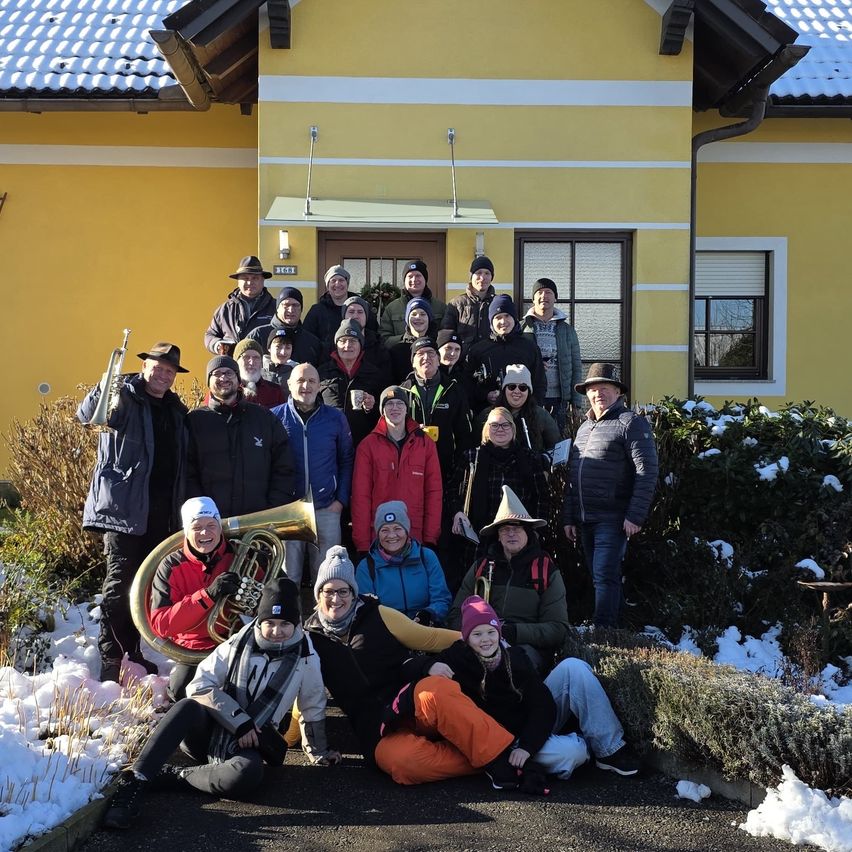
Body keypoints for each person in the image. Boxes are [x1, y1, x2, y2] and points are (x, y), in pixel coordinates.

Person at [103, 578, 340, 830]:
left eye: (285, 624)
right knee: (186, 706)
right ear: (260, 621)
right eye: (269, 622)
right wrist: (239, 721)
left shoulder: (307, 657)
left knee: (248, 775)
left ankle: (174, 776)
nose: (276, 631)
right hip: (210, 730)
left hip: (251, 743)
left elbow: (312, 705)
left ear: (297, 625)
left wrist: (320, 751)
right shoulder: (237, 643)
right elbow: (199, 686)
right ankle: (135, 782)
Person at [303, 547, 521, 787]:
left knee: (437, 688)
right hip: (375, 728)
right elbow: (305, 693)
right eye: (329, 591)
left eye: (343, 591)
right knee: (405, 764)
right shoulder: (310, 638)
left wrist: (480, 638)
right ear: (318, 593)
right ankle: (502, 759)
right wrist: (306, 742)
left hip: (409, 701)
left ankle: (497, 752)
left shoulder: (378, 614)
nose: (336, 599)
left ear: (353, 592)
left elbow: (430, 638)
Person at [403, 595, 638, 789]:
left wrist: (528, 746)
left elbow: (542, 704)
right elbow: (406, 669)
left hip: (523, 734)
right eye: (477, 634)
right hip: (494, 741)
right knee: (574, 753)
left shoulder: (515, 658)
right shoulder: (456, 658)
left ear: (499, 633)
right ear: (466, 638)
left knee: (573, 667)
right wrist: (427, 665)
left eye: (490, 632)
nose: (485, 640)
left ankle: (609, 749)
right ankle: (509, 762)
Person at [77, 341, 189, 683]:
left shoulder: (174, 408)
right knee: (119, 584)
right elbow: (88, 415)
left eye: (170, 370)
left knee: (143, 586)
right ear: (145, 366)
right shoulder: (124, 394)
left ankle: (133, 651)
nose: (163, 374)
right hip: (124, 508)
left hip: (161, 511)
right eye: (157, 367)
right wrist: (106, 382)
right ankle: (111, 657)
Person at [562, 363, 658, 628]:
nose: (598, 394)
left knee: (604, 575)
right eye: (593, 389)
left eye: (605, 388)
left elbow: (647, 471)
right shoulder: (584, 428)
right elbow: (573, 476)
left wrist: (635, 516)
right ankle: (614, 628)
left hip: (613, 518)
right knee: (600, 576)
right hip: (585, 518)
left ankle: (603, 632)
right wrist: (569, 517)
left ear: (618, 392)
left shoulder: (631, 424)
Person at [449, 486, 569, 672]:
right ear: (498, 535)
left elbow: (558, 629)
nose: (511, 533)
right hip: (479, 643)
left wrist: (514, 632)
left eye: (517, 528)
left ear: (528, 533)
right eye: (505, 529)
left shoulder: (546, 570)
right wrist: (478, 634)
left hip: (526, 649)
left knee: (513, 665)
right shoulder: (480, 566)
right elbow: (456, 613)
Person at [150, 497, 244, 702]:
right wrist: (208, 595)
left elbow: (272, 596)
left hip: (236, 642)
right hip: (194, 649)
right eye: (197, 527)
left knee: (247, 691)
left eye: (211, 525)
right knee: (181, 694)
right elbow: (161, 624)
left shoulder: (241, 554)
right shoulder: (170, 565)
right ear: (186, 530)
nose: (204, 533)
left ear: (220, 526)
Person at [271, 363, 354, 586]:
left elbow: (346, 459)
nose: (306, 386)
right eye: (300, 380)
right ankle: (291, 622)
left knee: (327, 577)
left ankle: (323, 621)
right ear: (289, 384)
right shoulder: (275, 417)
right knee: (288, 578)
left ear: (319, 386)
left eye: (311, 381)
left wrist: (340, 501)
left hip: (327, 508)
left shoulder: (335, 418)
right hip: (289, 511)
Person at [186, 356, 297, 518]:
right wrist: (203, 511)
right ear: (208, 382)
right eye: (217, 374)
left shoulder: (264, 418)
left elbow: (284, 467)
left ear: (239, 380)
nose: (224, 378)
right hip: (211, 524)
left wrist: (273, 508)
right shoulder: (194, 421)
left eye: (229, 373)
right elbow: (187, 472)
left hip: (259, 521)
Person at [351, 386, 442, 555]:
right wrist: (362, 542)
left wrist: (430, 536)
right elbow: (360, 496)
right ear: (382, 410)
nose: (395, 408)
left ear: (407, 409)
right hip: (380, 535)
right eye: (389, 404)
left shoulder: (425, 444)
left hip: (415, 535)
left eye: (399, 403)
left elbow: (433, 491)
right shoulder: (367, 446)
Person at [449, 407, 548, 558]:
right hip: (478, 536)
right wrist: (457, 512)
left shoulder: (529, 458)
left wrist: (535, 531)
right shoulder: (471, 457)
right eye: (494, 425)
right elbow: (451, 489)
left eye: (505, 424)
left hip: (517, 535)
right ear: (486, 429)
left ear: (513, 428)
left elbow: (542, 495)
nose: (500, 429)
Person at [355, 501, 451, 625]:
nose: (392, 535)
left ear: (407, 530)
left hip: (425, 627)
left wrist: (430, 613)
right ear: (377, 533)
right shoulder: (367, 566)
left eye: (397, 528)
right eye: (384, 530)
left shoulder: (426, 557)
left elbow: (442, 599)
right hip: (386, 631)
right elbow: (364, 609)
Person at [400, 337, 471, 480]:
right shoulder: (402, 392)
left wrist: (458, 466)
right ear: (413, 362)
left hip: (445, 467)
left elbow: (464, 433)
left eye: (431, 353)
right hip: (410, 467)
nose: (426, 357)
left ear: (438, 360)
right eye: (420, 354)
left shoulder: (454, 390)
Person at [521, 277, 583, 433]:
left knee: (558, 442)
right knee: (533, 440)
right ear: (533, 298)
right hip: (530, 396)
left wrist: (576, 402)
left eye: (548, 292)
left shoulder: (567, 330)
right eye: (540, 292)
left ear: (555, 297)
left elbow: (576, 367)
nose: (544, 296)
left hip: (560, 399)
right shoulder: (523, 328)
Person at [464, 295, 546, 412]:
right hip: (487, 415)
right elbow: (467, 383)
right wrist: (485, 395)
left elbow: (539, 383)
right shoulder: (478, 350)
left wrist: (530, 408)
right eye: (498, 317)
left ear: (514, 318)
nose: (503, 321)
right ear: (491, 321)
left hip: (523, 414)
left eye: (507, 316)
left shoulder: (529, 348)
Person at [318, 319, 383, 447]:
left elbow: (384, 413)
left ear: (361, 345)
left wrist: (372, 407)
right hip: (330, 443)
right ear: (336, 345)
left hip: (364, 444)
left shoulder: (374, 374)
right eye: (342, 341)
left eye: (353, 341)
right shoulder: (322, 373)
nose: (347, 346)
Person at [473, 365, 559, 454]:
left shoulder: (541, 415)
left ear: (528, 392)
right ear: (504, 390)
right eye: (511, 387)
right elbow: (474, 445)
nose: (517, 391)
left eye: (523, 387)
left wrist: (543, 459)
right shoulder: (488, 415)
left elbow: (557, 447)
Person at [204, 256, 276, 355]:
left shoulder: (276, 308)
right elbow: (210, 335)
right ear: (238, 282)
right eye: (245, 278)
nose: (250, 282)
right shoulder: (225, 309)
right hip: (232, 367)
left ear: (263, 280)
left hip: (262, 367)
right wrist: (217, 345)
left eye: (255, 278)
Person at [304, 264, 378, 349]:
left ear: (347, 283)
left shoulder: (361, 308)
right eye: (333, 281)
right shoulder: (317, 310)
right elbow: (308, 338)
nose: (337, 284)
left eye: (341, 280)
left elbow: (373, 333)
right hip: (325, 359)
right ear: (328, 286)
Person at [246, 285, 323, 366]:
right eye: (286, 305)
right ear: (277, 308)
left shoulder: (312, 342)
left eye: (295, 305)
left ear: (301, 309)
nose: (291, 310)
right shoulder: (258, 335)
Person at [379, 260, 446, 340]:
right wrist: (405, 339)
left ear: (425, 279)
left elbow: (447, 337)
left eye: (418, 275)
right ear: (404, 280)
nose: (414, 280)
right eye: (410, 276)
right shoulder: (391, 308)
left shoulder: (441, 307)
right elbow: (384, 339)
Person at [440, 256, 496, 348]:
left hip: (491, 357)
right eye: (478, 273)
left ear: (491, 277)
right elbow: (446, 334)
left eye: (487, 273)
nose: (483, 277)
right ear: (471, 276)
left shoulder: (498, 303)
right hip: (463, 360)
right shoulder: (456, 304)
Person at [387, 298, 437, 384]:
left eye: (423, 314)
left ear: (429, 318)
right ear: (407, 319)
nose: (418, 317)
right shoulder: (397, 350)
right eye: (413, 314)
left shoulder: (439, 345)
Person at [232, 339, 285, 409]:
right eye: (246, 357)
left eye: (256, 358)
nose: (251, 362)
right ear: (236, 362)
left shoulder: (275, 391)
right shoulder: (229, 390)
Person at [342, 294, 387, 376]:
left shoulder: (379, 346)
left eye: (360, 312)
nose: (355, 316)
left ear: (366, 316)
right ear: (344, 315)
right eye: (351, 312)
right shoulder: (332, 345)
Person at [263, 327, 299, 397]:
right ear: (269, 348)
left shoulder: (297, 372)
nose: (283, 352)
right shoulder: (258, 370)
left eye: (288, 348)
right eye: (278, 347)